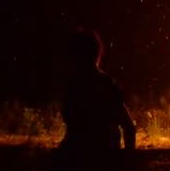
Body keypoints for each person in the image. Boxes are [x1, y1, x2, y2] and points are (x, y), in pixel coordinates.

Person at [54, 27, 136, 169]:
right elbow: (128, 127)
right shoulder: (106, 85)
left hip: (85, 158)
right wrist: (127, 162)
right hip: (103, 158)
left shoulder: (75, 87)